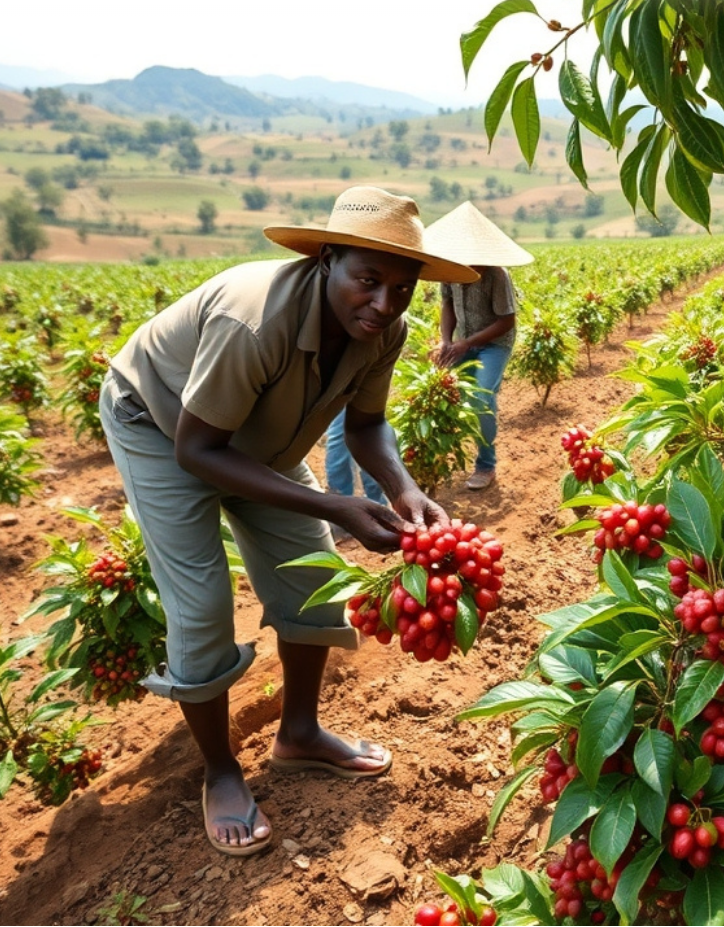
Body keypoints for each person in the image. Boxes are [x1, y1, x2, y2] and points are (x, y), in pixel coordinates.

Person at [99, 187, 477, 856]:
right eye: (367, 281)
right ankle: (219, 771)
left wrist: (404, 489)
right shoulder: (255, 322)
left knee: (315, 585)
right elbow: (197, 450)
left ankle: (299, 735)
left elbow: (367, 425)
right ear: (327, 259)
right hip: (160, 426)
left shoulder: (384, 332)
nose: (384, 304)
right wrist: (335, 506)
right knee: (203, 604)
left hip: (247, 441)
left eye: (402, 288)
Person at [422, 201, 532, 491]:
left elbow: (506, 321)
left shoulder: (496, 275)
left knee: (481, 398)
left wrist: (465, 344)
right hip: (462, 341)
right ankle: (433, 457)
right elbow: (447, 304)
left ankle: (486, 465)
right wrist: (446, 341)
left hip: (494, 344)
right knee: (435, 387)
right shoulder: (450, 270)